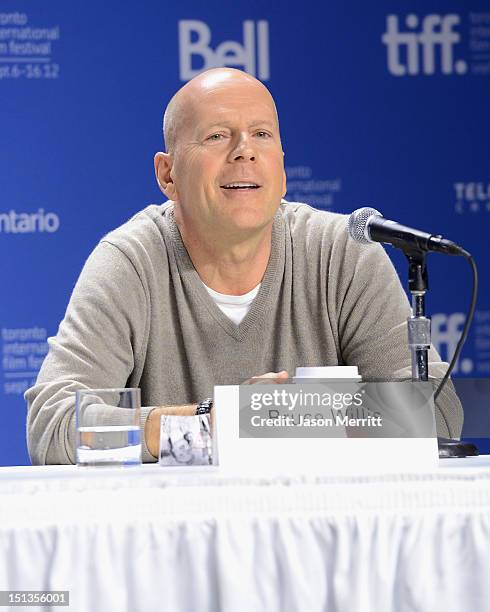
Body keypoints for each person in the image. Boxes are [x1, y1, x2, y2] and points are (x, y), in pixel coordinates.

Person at [25, 68, 463, 465]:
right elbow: (54, 426)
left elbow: (438, 413)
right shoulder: (131, 261)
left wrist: (276, 418)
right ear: (168, 175)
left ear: (283, 169)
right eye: (217, 136)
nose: (244, 152)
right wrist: (213, 424)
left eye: (261, 135)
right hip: (177, 536)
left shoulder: (344, 252)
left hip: (325, 530)